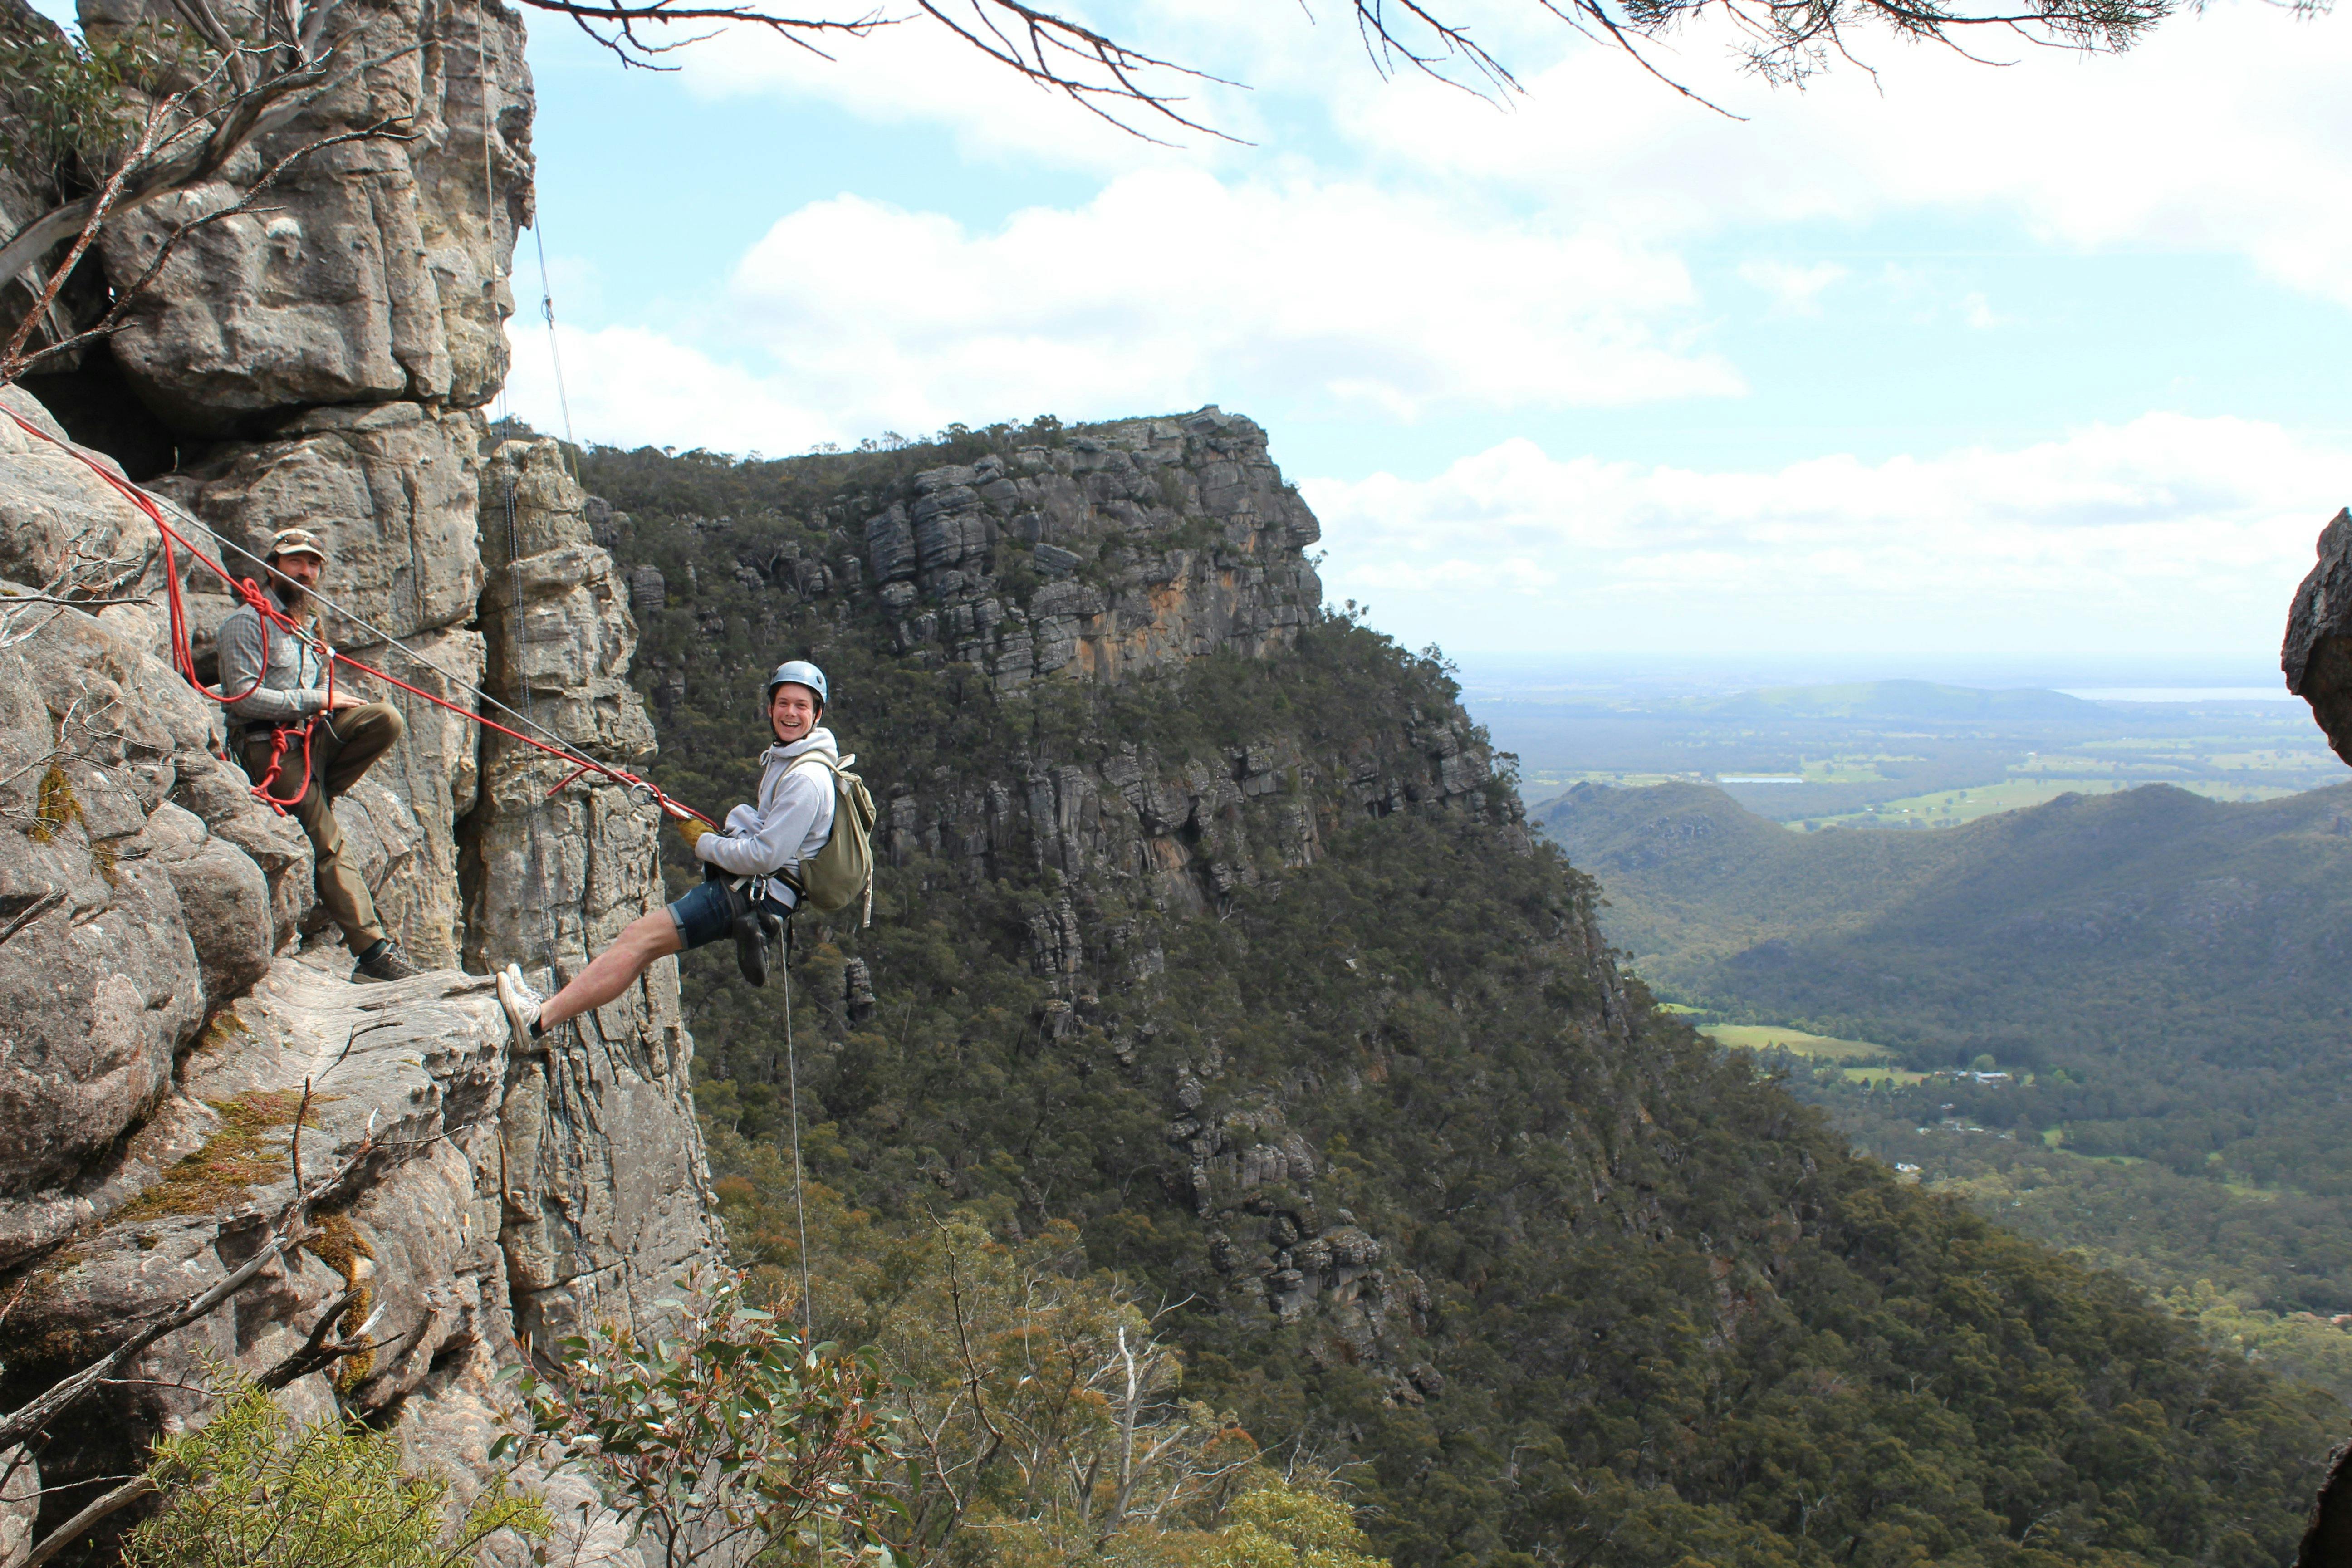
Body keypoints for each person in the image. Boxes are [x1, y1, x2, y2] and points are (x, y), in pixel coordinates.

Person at [495, 660, 839, 1048]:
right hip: (757, 891)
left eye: (801, 706)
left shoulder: (805, 779)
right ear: (770, 707)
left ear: (817, 714)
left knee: (638, 939)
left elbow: (766, 857)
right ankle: (542, 1017)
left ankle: (537, 1021)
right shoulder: (792, 759)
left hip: (753, 894)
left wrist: (705, 844)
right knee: (642, 945)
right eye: (783, 703)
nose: (790, 713)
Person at [216, 526, 421, 984]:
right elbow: (243, 699)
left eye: (312, 564)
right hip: (269, 747)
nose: (305, 572)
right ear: (272, 566)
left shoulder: (307, 627)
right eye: (295, 562)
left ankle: (317, 792)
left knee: (384, 718)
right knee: (327, 841)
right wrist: (315, 700)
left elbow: (313, 689)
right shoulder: (245, 624)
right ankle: (372, 953)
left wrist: (327, 702)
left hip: (310, 740)